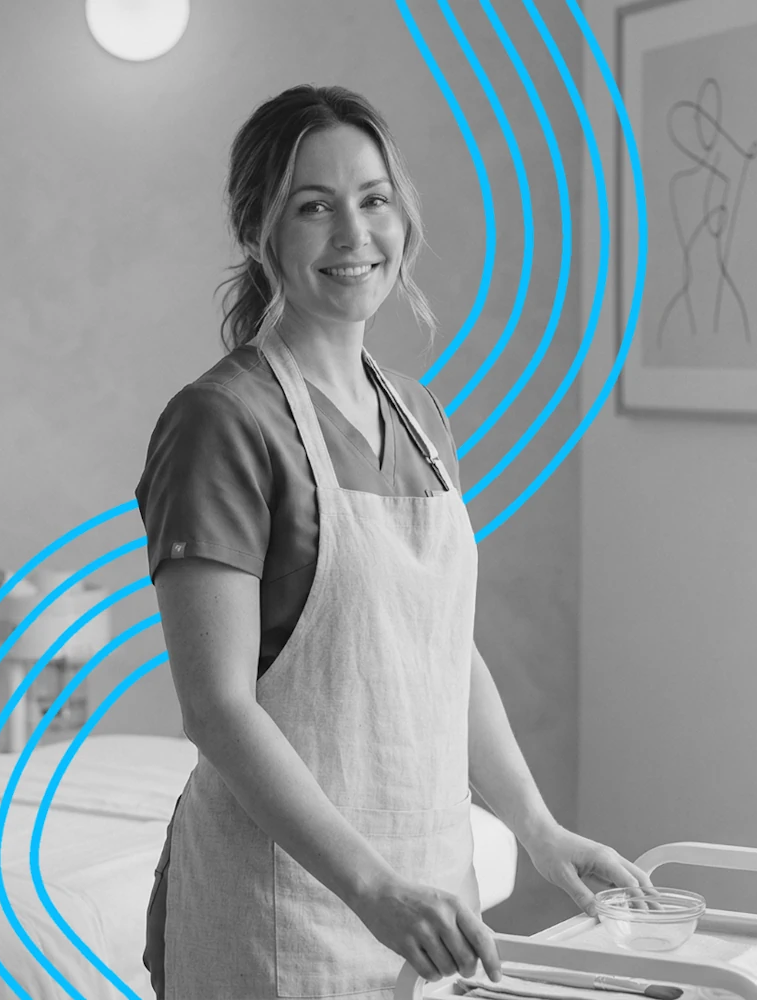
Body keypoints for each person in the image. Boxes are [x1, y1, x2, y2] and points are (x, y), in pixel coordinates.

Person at [135, 84, 652, 1000]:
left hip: (428, 907)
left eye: (373, 200)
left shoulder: (418, 416)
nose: (352, 234)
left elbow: (440, 653)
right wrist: (372, 888)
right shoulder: (221, 422)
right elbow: (215, 709)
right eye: (313, 206)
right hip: (280, 914)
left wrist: (537, 827)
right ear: (259, 229)